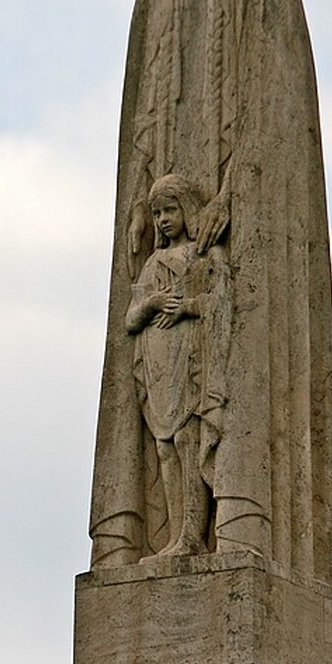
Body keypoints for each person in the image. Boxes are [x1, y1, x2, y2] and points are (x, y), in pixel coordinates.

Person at [89, 0, 332, 594]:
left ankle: (234, 516)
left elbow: (276, 109)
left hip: (236, 226)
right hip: (167, 225)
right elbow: (138, 114)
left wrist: (238, 191)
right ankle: (158, 530)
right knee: (157, 398)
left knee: (228, 380)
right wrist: (143, 201)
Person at [125, 174, 231, 558]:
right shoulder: (154, 262)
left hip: (189, 363)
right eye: (156, 213)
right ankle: (175, 535)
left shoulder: (203, 256)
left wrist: (186, 306)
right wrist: (152, 304)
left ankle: (193, 534)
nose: (163, 219)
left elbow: (220, 303)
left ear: (186, 209)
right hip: (157, 367)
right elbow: (130, 319)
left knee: (188, 441)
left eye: (170, 210)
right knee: (165, 448)